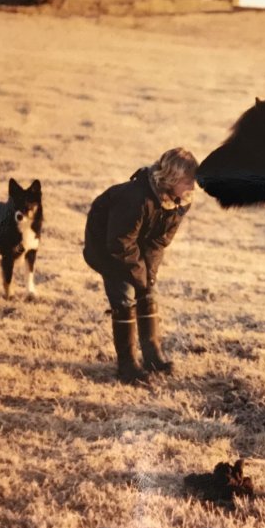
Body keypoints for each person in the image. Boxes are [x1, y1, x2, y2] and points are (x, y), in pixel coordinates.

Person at [83, 148, 198, 384]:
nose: (193, 188)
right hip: (107, 248)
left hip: (134, 246)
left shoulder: (181, 202)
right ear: (172, 178)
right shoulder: (135, 198)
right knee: (124, 297)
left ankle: (152, 356)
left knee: (148, 291)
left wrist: (148, 278)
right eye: (188, 182)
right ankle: (127, 365)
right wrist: (138, 276)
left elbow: (159, 242)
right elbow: (120, 243)